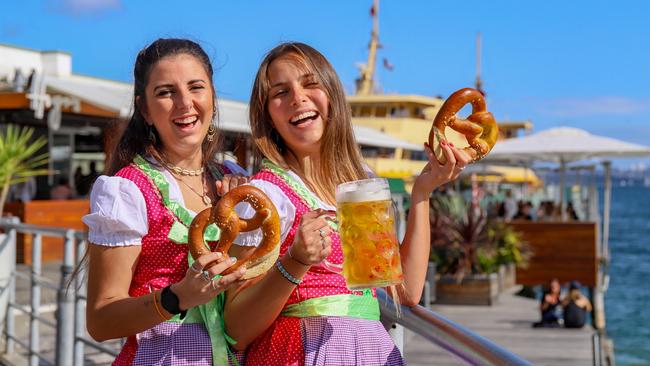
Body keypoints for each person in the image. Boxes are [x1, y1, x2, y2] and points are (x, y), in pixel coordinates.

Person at [222, 42, 471, 365]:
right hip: (296, 353)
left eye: (311, 83)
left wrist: (422, 193)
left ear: (332, 97)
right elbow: (237, 328)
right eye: (280, 92)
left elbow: (405, 291)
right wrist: (295, 262)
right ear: (267, 114)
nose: (298, 97)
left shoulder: (359, 184)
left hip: (369, 350)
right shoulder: (264, 198)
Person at [82, 38, 249, 365]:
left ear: (212, 96)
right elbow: (101, 321)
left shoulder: (237, 178)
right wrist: (177, 297)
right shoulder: (127, 190)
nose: (185, 103)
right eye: (165, 92)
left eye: (196, 87)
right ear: (144, 108)